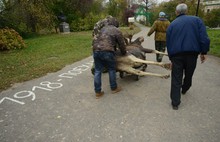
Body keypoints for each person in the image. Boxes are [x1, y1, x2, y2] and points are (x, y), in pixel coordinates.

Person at [166, 3, 210, 110]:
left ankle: (175, 103)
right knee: (189, 74)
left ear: (177, 12)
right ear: (187, 11)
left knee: (176, 77)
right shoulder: (197, 20)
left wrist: (171, 57)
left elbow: (169, 42)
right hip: (192, 54)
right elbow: (204, 37)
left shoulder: (172, 25)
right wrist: (203, 52)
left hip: (176, 55)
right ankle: (185, 88)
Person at [92, 17, 127, 99]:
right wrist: (124, 53)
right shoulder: (116, 30)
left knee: (97, 71)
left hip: (96, 50)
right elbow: (122, 44)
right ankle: (114, 88)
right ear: (115, 24)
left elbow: (95, 39)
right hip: (107, 51)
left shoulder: (102, 29)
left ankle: (98, 92)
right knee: (111, 69)